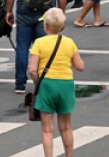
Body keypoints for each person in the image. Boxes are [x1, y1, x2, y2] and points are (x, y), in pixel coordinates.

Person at [28, 8, 85, 157]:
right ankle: (69, 155)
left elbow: (32, 70)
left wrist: (37, 82)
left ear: (45, 26)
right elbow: (80, 66)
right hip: (65, 84)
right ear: (63, 26)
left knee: (47, 129)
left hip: (47, 85)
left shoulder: (39, 43)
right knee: (66, 127)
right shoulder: (69, 42)